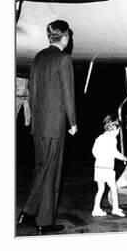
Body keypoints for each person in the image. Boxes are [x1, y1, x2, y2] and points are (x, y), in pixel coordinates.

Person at [18, 20, 77, 235]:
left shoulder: (38, 58)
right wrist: (73, 122)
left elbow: (32, 93)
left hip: (39, 125)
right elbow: (68, 95)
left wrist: (35, 119)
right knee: (52, 173)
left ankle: (27, 212)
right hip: (54, 127)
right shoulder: (63, 59)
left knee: (40, 169)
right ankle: (44, 222)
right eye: (68, 36)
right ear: (64, 38)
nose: (69, 39)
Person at [91, 114, 127, 217]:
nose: (118, 132)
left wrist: (100, 158)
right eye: (118, 130)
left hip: (98, 168)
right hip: (107, 168)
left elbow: (94, 151)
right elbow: (114, 152)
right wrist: (122, 157)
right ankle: (115, 208)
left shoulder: (99, 138)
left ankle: (96, 209)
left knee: (100, 189)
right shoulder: (112, 139)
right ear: (114, 128)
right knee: (114, 188)